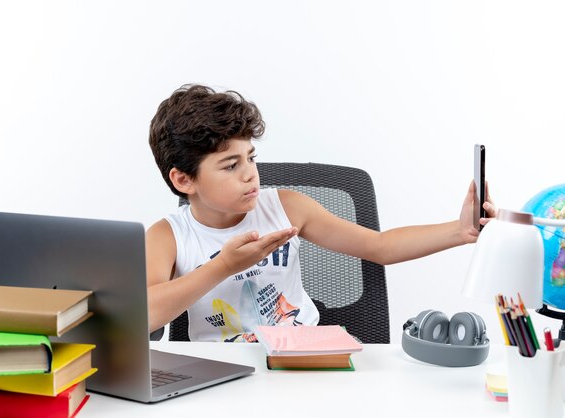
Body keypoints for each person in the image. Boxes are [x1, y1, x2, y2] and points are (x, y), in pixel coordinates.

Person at [146, 84, 496, 342]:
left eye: (251, 158)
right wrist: (224, 266)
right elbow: (143, 315)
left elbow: (380, 247)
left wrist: (460, 231)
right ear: (183, 179)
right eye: (230, 165)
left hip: (302, 356)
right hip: (221, 370)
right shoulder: (168, 236)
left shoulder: (285, 207)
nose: (250, 173)